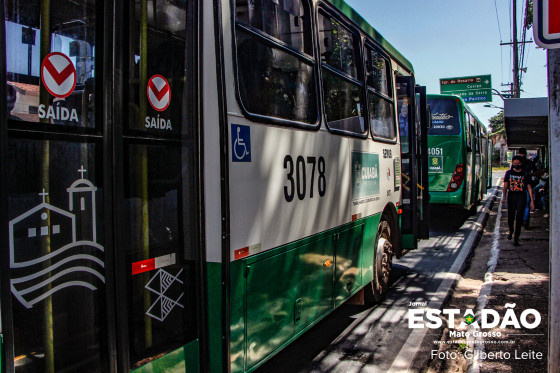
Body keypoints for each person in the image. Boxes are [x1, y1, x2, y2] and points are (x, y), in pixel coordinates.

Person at [503, 156, 535, 246]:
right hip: (511, 196)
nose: (516, 165)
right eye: (515, 163)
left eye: (518, 164)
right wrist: (503, 197)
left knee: (519, 218)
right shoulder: (509, 173)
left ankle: (516, 238)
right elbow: (505, 186)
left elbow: (529, 187)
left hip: (521, 196)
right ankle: (511, 230)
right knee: (511, 217)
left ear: (522, 164)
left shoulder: (525, 173)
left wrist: (532, 201)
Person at [518, 148, 537, 229]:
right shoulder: (529, 162)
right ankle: (525, 220)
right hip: (527, 185)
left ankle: (522, 220)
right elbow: (535, 172)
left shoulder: (517, 163)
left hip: (518, 187)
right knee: (526, 204)